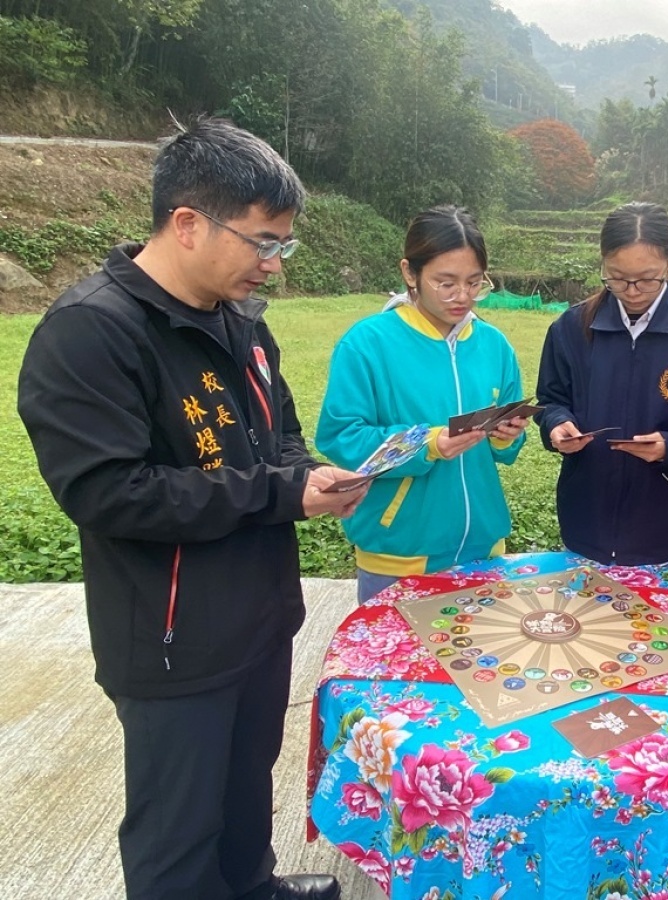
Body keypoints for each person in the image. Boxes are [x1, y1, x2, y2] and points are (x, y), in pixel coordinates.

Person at [17, 117, 358, 900]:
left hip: (259, 616)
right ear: (187, 224)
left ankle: (254, 884)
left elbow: (284, 441)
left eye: (283, 245)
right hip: (172, 640)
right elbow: (107, 491)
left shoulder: (243, 324)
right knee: (177, 831)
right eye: (263, 242)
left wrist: (315, 475)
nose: (273, 264)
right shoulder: (93, 333)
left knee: (244, 791)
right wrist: (279, 491)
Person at [316, 205, 527, 602]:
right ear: (409, 273)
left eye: (474, 282)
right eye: (444, 282)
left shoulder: (494, 345)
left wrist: (506, 435)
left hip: (484, 549)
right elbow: (341, 437)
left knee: (478, 661)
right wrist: (428, 443)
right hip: (399, 554)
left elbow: (508, 448)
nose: (461, 296)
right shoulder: (367, 344)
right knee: (394, 665)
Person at [536, 201, 668, 566]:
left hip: (659, 533)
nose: (632, 291)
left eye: (647, 279)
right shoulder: (571, 329)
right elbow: (551, 400)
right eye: (616, 277)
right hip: (585, 526)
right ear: (601, 263)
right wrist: (557, 425)